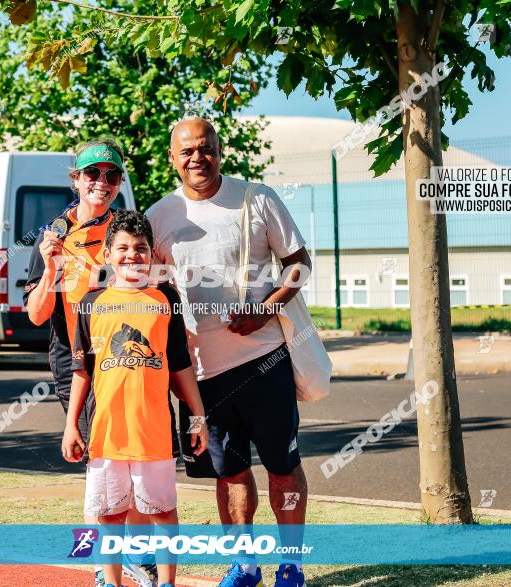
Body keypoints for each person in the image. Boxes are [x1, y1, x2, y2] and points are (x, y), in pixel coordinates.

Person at [146, 117, 312, 587]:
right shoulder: (161, 215)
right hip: (201, 373)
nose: (197, 158)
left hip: (265, 361)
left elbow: (299, 262)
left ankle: (292, 566)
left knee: (283, 468)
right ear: (173, 159)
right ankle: (245, 566)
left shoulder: (256, 198)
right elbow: (151, 292)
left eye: (206, 148)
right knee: (230, 474)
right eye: (187, 151)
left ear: (220, 150)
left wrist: (264, 311)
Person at [24, 139, 163, 587]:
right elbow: (37, 314)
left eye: (111, 176)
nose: (101, 183)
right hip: (79, 360)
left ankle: (137, 556)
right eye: (92, 174)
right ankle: (107, 566)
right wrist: (49, 270)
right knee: (101, 459)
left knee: (138, 455)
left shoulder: (126, 231)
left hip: (132, 356)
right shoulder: (53, 236)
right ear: (76, 179)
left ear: (120, 182)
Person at [62, 210, 209, 587]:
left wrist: (198, 417)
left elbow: (181, 368)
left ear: (151, 256)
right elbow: (82, 372)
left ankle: (166, 583)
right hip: (106, 434)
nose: (132, 256)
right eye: (123, 248)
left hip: (153, 434)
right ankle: (110, 582)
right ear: (108, 254)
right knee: (109, 515)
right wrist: (70, 427)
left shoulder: (164, 302)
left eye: (141, 249)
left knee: (162, 512)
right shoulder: (91, 305)